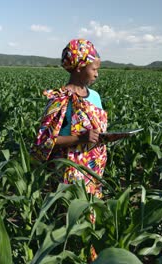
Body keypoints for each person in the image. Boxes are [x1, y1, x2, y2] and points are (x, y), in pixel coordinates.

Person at [31, 38, 115, 199]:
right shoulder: (60, 100)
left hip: (93, 169)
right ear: (79, 68)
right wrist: (80, 138)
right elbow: (45, 142)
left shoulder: (95, 96)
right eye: (94, 69)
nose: (97, 74)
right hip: (68, 174)